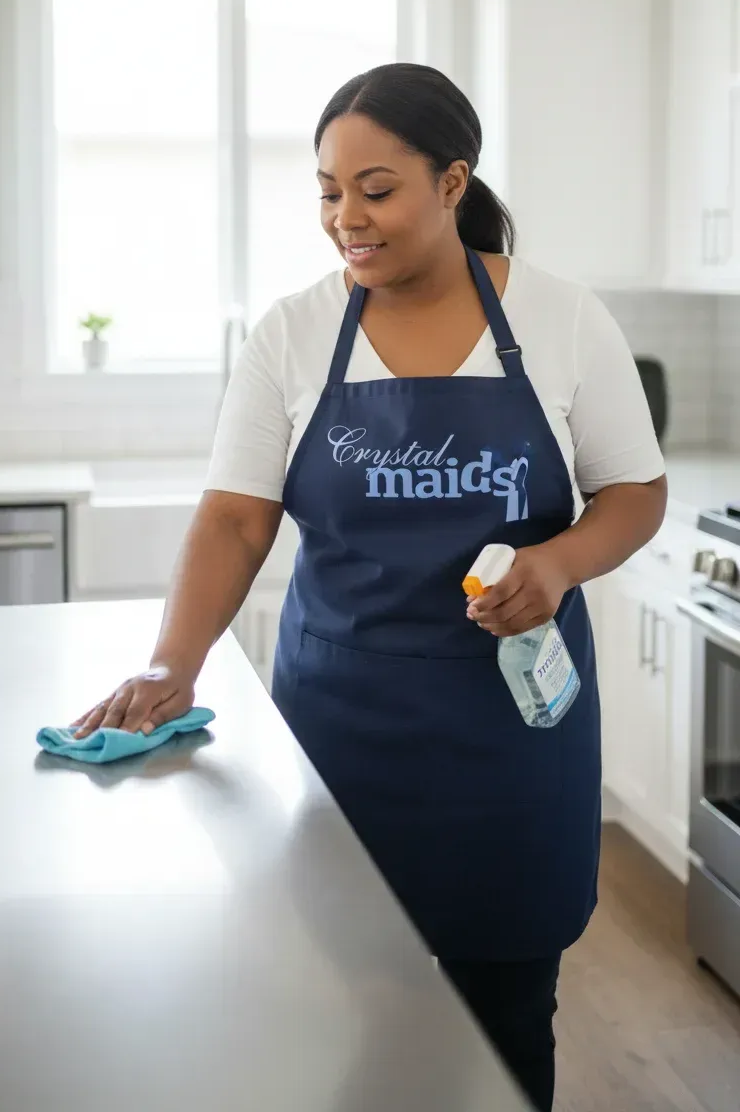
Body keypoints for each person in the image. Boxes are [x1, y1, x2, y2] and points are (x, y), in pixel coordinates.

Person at [74, 63, 667, 1111]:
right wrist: (175, 661)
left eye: (376, 189)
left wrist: (560, 561)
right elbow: (235, 515)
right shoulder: (295, 332)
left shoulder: (565, 321)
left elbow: (634, 491)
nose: (346, 218)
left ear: (452, 182)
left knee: (508, 1010)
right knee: (353, 1007)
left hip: (514, 739)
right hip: (341, 733)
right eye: (327, 191)